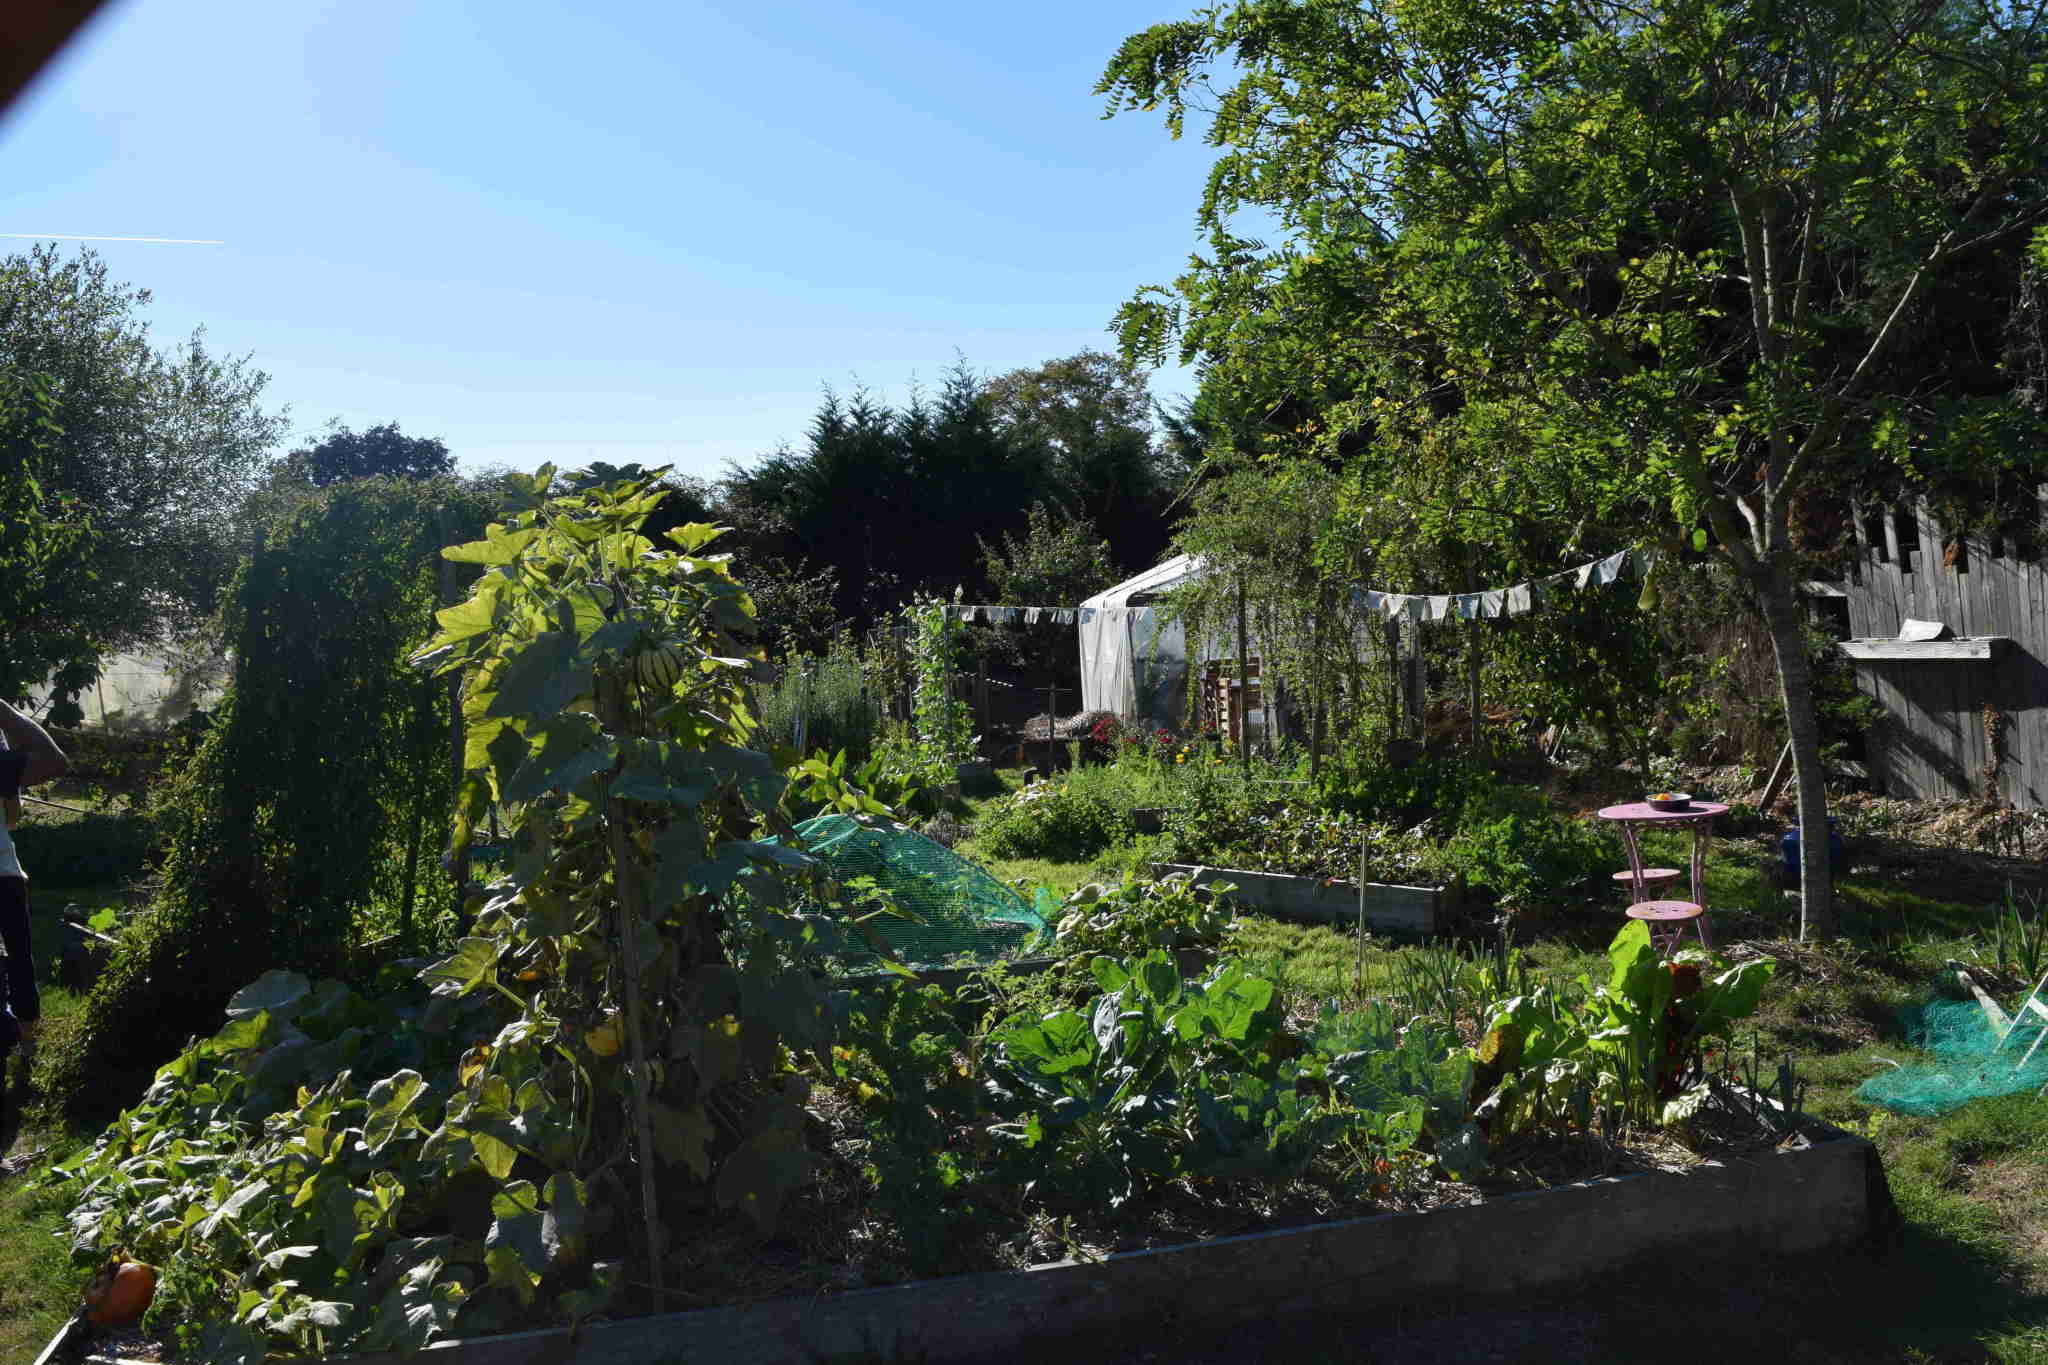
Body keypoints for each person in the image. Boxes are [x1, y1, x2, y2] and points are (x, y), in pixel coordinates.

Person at [0, 699, 68, 1060]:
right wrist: (6, 713)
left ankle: (23, 1040)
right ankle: (27, 1043)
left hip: (6, 872)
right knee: (17, 959)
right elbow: (54, 760)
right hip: (4, 874)